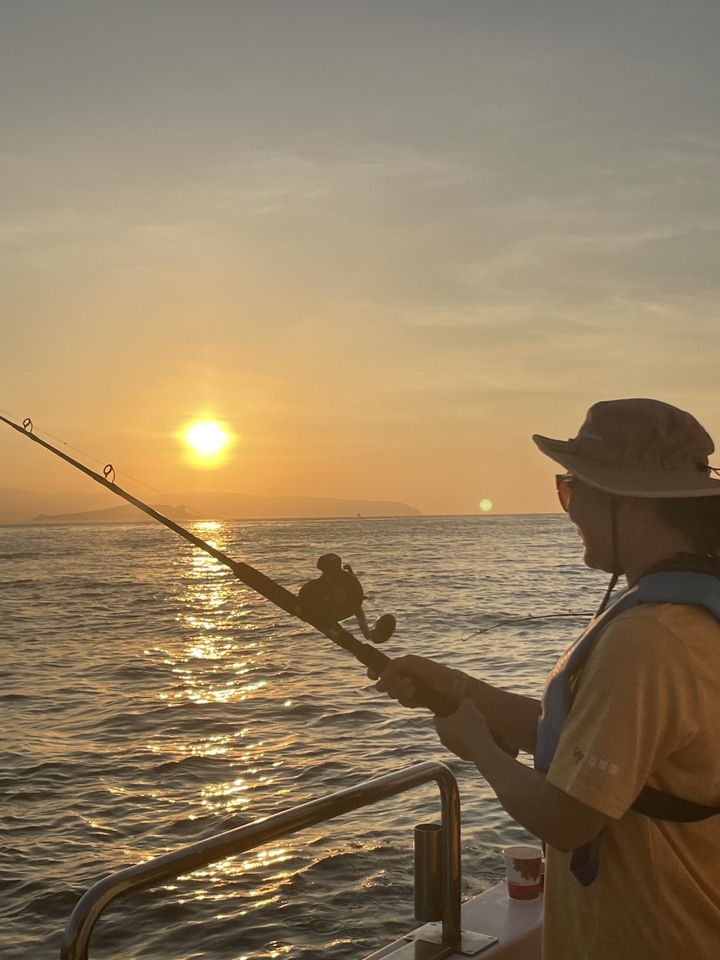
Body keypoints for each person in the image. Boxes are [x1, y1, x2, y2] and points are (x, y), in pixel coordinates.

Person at [372, 398, 720, 959]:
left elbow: (566, 820)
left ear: (624, 500)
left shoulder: (650, 639)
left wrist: (478, 747)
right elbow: (589, 735)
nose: (569, 507)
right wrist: (459, 687)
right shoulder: (686, 615)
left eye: (571, 487)